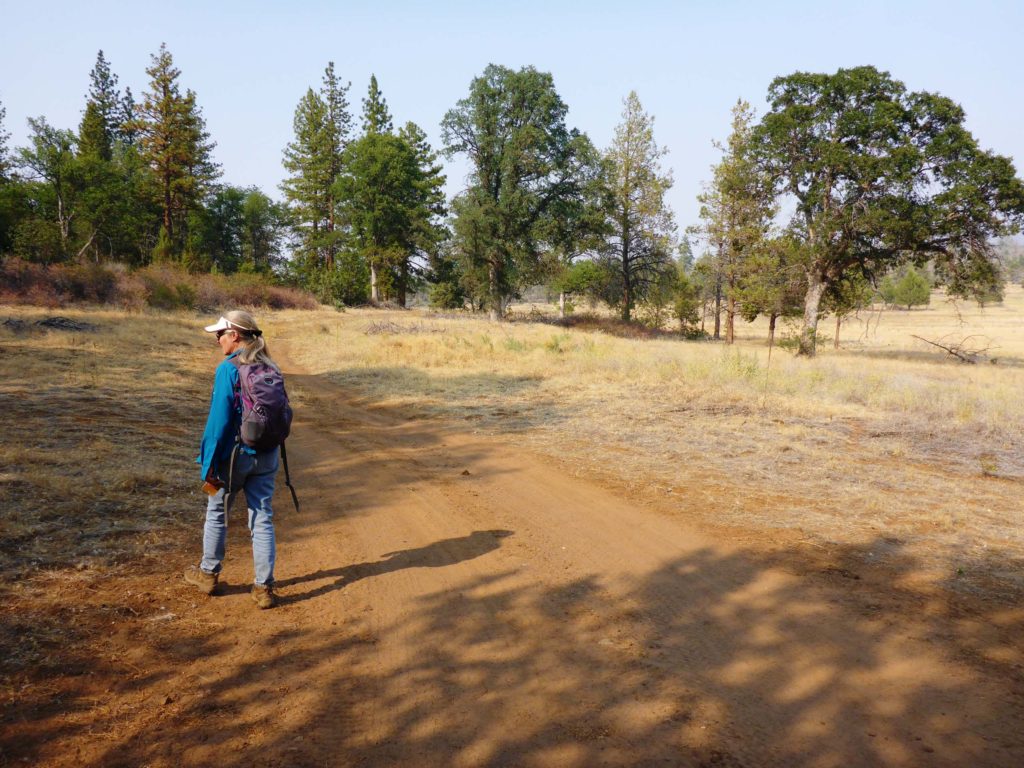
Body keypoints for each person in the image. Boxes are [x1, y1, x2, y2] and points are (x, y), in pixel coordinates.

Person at [184, 310, 280, 609]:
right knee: (262, 517)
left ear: (234, 335)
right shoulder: (269, 365)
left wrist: (208, 463)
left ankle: (208, 574)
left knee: (217, 512)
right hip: (266, 452)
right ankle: (264, 588)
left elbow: (219, 423)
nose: (217, 340)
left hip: (232, 458)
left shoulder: (228, 369)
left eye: (219, 334)